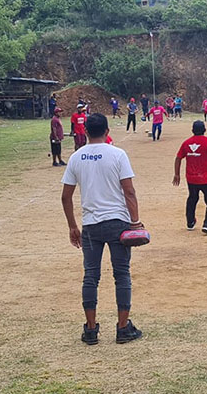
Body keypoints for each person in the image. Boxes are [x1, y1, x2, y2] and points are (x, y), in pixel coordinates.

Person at [60, 113, 145, 346]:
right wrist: (135, 221)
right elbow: (129, 191)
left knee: (91, 276)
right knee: (122, 274)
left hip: (91, 225)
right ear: (107, 131)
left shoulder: (77, 157)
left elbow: (66, 197)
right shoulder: (118, 154)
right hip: (118, 223)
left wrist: (72, 226)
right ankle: (122, 327)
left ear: (85, 131)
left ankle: (90, 329)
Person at [174, 120, 207, 235]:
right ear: (204, 130)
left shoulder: (186, 143)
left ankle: (190, 221)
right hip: (206, 178)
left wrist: (177, 174)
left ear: (192, 130)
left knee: (192, 198)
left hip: (191, 178)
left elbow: (178, 158)